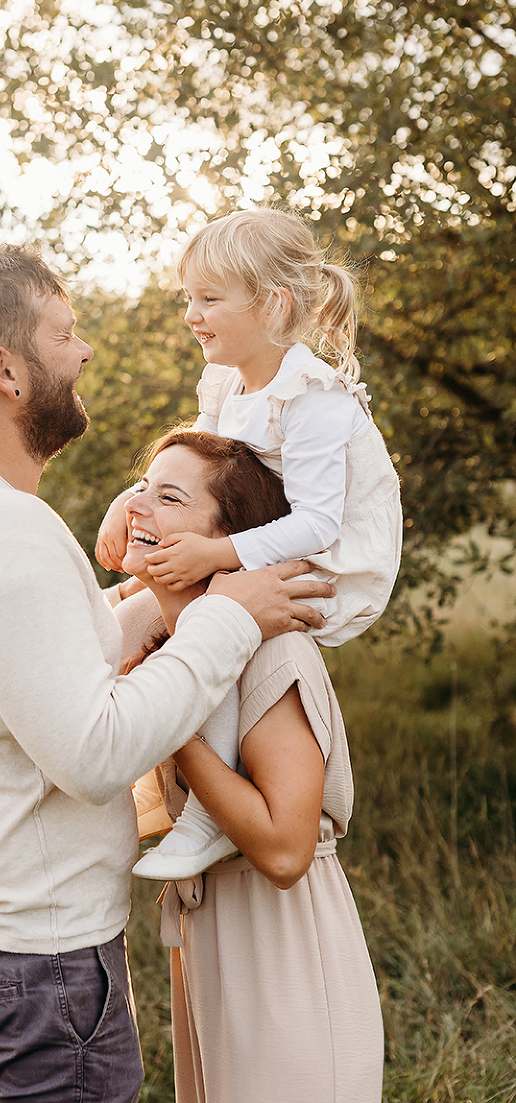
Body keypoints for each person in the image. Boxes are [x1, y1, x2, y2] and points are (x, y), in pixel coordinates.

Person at [0, 241, 335, 1103]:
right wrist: (229, 618)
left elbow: (37, 658)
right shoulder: (7, 529)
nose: (85, 352)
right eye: (66, 334)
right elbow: (92, 755)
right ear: (6, 370)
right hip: (32, 962)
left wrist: (159, 608)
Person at [96, 207, 402, 880]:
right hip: (259, 537)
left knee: (215, 619)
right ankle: (97, 742)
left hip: (327, 560)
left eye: (208, 299)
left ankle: (210, 817)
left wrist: (214, 556)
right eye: (189, 298)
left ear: (271, 305)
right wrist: (130, 503)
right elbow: (193, 465)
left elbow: (320, 523)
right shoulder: (230, 385)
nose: (190, 315)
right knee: (135, 605)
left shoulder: (314, 399)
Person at [116, 426, 384, 1103]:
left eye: (169, 497)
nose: (137, 506)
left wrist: (171, 726)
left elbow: (287, 850)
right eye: (140, 487)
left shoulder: (269, 652)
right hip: (209, 942)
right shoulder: (176, 637)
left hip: (282, 947)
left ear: (230, 538)